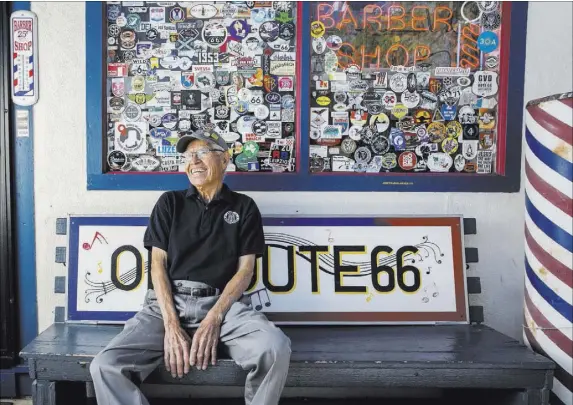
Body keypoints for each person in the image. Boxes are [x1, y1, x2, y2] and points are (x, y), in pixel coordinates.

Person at [90, 129, 292, 405]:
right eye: (187, 155)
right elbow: (157, 266)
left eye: (202, 153)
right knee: (105, 365)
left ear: (225, 159)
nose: (193, 161)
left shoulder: (244, 207)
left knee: (275, 348)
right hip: (166, 306)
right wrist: (172, 326)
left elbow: (245, 271)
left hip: (223, 305)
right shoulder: (170, 203)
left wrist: (213, 318)